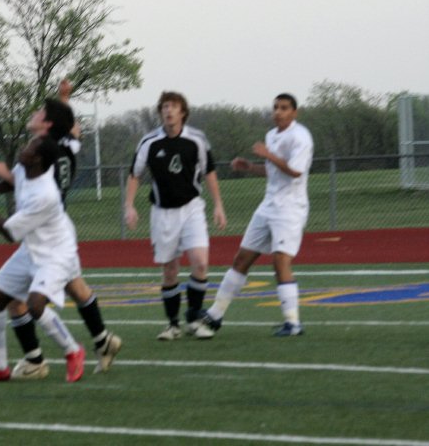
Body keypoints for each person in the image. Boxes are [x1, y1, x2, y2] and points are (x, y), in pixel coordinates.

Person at [0, 81, 122, 377]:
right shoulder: (61, 146)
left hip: (47, 229)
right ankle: (99, 342)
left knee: (32, 299)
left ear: (47, 125)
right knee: (73, 289)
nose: (34, 112)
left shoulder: (39, 155)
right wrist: (63, 99)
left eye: (40, 112)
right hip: (46, 228)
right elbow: (68, 129)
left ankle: (49, 356)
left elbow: (24, 184)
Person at [194, 93, 313, 339]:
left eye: (284, 108)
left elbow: (295, 172)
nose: (278, 112)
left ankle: (293, 323)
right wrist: (250, 167)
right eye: (275, 107)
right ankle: (215, 315)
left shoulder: (300, 137)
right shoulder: (272, 135)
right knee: (241, 259)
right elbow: (274, 172)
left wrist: (268, 155)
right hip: (268, 206)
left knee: (280, 262)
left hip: (290, 209)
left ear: (295, 113)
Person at [0, 135, 86, 384]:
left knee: (35, 304)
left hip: (56, 254)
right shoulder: (25, 168)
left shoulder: (46, 194)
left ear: (40, 159)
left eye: (31, 146)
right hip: (31, 248)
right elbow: (14, 184)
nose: (25, 148)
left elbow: (9, 232)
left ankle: (73, 350)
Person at [124, 91, 227, 340]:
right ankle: (173, 325)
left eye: (173, 106)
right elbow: (135, 174)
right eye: (165, 107)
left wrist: (218, 205)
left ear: (183, 112)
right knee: (170, 270)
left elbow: (209, 171)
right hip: (162, 213)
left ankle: (193, 317)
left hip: (192, 208)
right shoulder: (149, 142)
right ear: (161, 112)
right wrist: (129, 205)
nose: (168, 111)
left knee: (200, 262)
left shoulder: (197, 140)